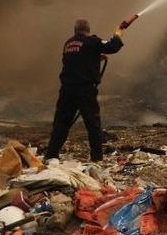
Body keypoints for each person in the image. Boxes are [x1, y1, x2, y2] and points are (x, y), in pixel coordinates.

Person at [45, 19, 124, 162]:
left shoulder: (68, 43)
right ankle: (97, 159)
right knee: (93, 125)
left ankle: (51, 155)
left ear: (75, 30)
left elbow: (77, 59)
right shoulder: (91, 41)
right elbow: (113, 47)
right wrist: (118, 33)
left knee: (61, 124)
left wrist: (95, 58)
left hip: (67, 90)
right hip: (84, 90)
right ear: (87, 30)